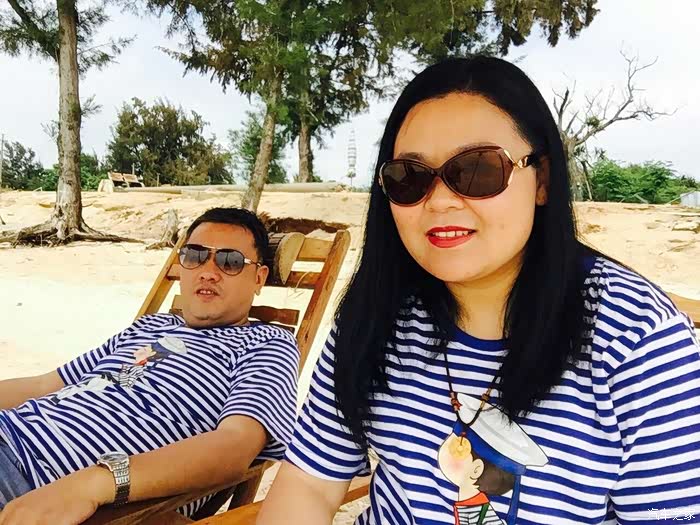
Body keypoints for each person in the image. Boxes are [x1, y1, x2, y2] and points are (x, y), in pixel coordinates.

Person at [257, 57, 700, 525]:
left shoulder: (636, 337)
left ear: (542, 181)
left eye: (477, 171)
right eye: (410, 177)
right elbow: (309, 484)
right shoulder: (376, 315)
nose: (440, 201)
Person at [0, 207, 300, 524]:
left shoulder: (267, 343)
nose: (208, 272)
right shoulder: (150, 326)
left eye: (230, 261)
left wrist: (94, 484)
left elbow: (235, 446)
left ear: (259, 277)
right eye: (195, 256)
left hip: (37, 478)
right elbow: (46, 384)